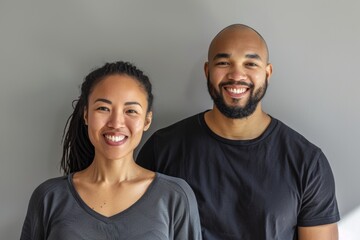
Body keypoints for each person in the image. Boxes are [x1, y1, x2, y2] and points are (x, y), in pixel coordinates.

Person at [136, 24, 340, 239]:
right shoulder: (162, 149)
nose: (236, 74)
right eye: (224, 63)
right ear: (207, 71)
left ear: (267, 73)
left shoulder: (307, 162)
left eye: (250, 63)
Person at [20, 61, 202, 240]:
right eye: (103, 108)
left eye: (130, 111)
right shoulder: (49, 197)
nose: (115, 123)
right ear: (86, 115)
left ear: (147, 121)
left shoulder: (175, 197)